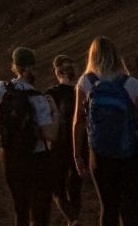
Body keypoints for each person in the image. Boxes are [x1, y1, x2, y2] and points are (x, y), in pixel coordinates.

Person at [73, 36, 138, 226]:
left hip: (99, 156)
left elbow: (78, 122)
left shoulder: (86, 82)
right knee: (130, 211)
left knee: (108, 208)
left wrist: (77, 155)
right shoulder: (131, 84)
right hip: (130, 155)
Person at [0, 46, 57, 226]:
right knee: (40, 211)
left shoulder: (0, 88)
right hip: (35, 157)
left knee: (20, 207)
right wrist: (55, 112)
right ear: (31, 69)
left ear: (15, 66)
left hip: (9, 156)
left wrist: (5, 133)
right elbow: (50, 135)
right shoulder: (38, 98)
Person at [45, 54, 83, 226]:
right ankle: (73, 219)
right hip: (80, 145)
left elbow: (47, 123)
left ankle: (72, 219)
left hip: (58, 146)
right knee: (75, 187)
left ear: (56, 71)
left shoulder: (51, 94)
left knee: (56, 189)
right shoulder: (82, 91)